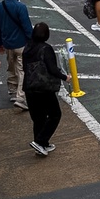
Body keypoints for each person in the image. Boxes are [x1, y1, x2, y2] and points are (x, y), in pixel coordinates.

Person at [23, 22, 68, 156]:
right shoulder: (46, 48)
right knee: (55, 114)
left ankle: (42, 144)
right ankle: (40, 141)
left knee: (38, 118)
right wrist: (65, 77)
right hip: (43, 88)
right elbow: (52, 69)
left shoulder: (27, 48)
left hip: (29, 87)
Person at [0, 0, 33, 111]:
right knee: (22, 70)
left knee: (11, 67)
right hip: (21, 43)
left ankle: (12, 90)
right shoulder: (21, 7)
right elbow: (27, 27)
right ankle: (21, 98)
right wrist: (32, 42)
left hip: (7, 44)